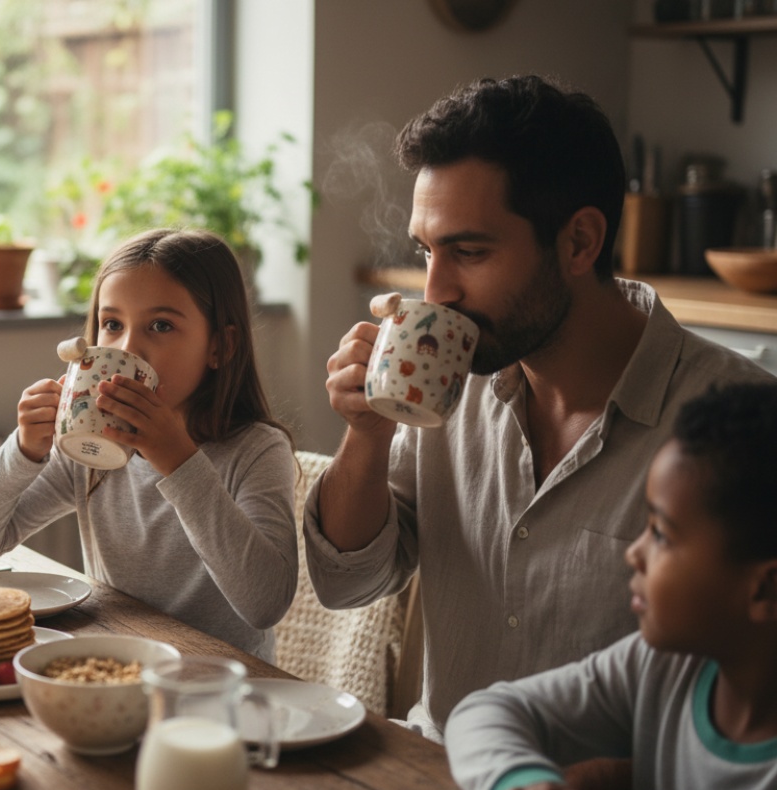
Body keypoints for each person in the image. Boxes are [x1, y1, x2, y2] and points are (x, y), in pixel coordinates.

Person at [302, 74, 775, 741]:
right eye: (426, 251)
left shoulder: (739, 422)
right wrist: (367, 430)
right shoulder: (447, 380)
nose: (436, 292)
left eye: (469, 251)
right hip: (440, 768)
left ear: (579, 242)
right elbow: (345, 582)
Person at [0, 228, 298, 661]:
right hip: (117, 672)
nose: (129, 349)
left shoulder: (257, 450)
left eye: (161, 326)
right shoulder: (89, 448)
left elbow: (266, 605)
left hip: (218, 686)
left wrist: (179, 462)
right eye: (112, 325)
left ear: (220, 346)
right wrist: (23, 450)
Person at [446, 382, 777, 790]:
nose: (634, 553)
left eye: (661, 535)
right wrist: (523, 781)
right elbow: (486, 712)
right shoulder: (662, 666)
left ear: (765, 590)